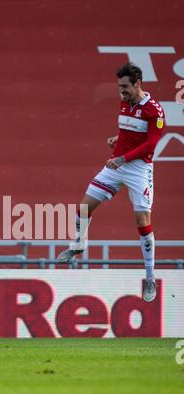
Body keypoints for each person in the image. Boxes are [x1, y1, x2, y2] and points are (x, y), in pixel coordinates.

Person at [58, 62, 165, 302]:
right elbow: (130, 133)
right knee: (84, 207)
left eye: (125, 86)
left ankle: (150, 278)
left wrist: (123, 157)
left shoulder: (154, 111)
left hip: (138, 169)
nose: (122, 91)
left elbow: (151, 144)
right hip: (117, 164)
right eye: (119, 87)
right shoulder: (125, 103)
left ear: (137, 84)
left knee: (142, 220)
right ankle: (78, 245)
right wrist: (118, 139)